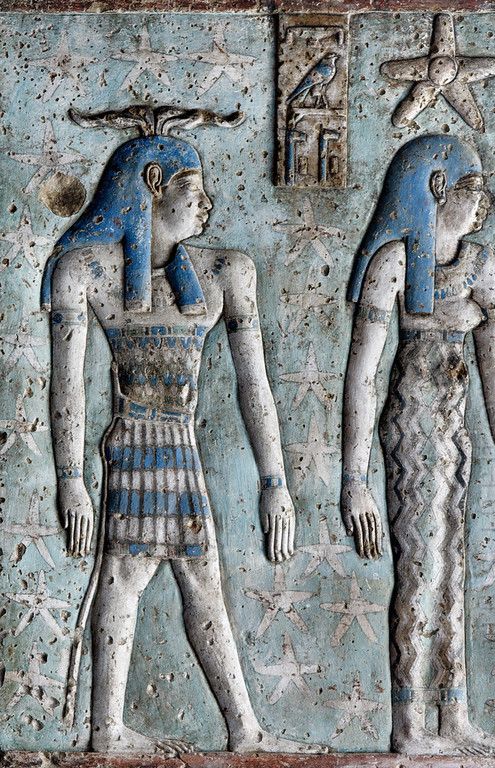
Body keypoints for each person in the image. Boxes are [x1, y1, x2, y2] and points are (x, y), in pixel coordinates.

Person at [42, 106, 321, 755]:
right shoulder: (85, 271)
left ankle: (238, 730)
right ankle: (112, 731)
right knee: (129, 575)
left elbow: (254, 385)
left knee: (193, 580)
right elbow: (65, 387)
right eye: (193, 190)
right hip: (134, 444)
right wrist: (70, 480)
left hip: (181, 447)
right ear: (153, 185)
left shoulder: (227, 272)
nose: (208, 205)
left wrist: (275, 482)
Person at [341, 134, 495, 756]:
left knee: (450, 573)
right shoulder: (394, 263)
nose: (484, 202)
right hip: (410, 429)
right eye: (473, 189)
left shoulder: (484, 268)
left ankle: (453, 715)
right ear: (438, 188)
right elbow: (362, 377)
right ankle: (409, 726)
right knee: (421, 571)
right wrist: (354, 481)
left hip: (452, 434)